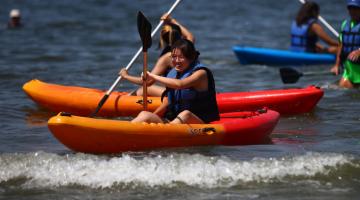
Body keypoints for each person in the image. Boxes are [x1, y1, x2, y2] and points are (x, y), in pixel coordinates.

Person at [130, 39, 219, 124]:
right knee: (144, 114)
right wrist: (153, 116)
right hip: (175, 122)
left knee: (185, 114)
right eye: (174, 57)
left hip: (199, 122)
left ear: (191, 58)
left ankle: (167, 132)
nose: (176, 61)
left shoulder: (200, 73)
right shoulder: (175, 73)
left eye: (181, 57)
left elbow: (180, 84)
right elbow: (168, 102)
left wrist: (152, 76)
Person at [120, 13, 195, 97]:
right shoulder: (187, 48)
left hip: (178, 93)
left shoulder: (167, 57)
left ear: (162, 38)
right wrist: (172, 20)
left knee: (146, 89)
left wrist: (126, 76)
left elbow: (147, 82)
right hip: (191, 90)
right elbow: (190, 35)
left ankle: (126, 101)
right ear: (180, 35)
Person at [330, 0, 360, 88]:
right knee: (342, 91)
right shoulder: (345, 24)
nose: (352, 11)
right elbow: (341, 46)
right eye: (350, 8)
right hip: (349, 69)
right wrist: (337, 65)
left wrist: (359, 51)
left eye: (355, 8)